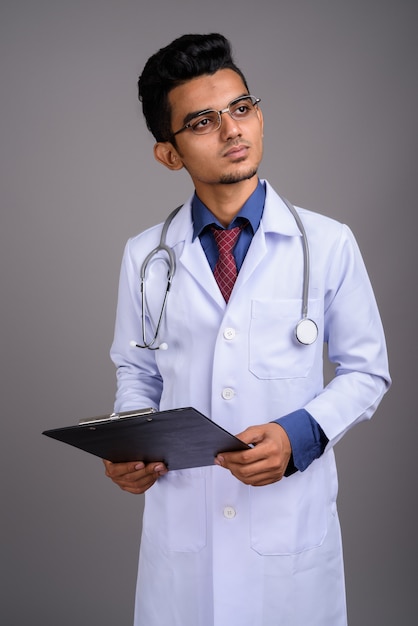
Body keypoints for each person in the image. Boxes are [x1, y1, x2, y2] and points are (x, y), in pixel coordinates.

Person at [104, 33, 390, 626]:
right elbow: (137, 372)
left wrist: (300, 436)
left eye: (241, 108)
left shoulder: (328, 244)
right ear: (169, 153)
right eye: (203, 121)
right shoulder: (144, 255)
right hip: (186, 533)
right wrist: (130, 443)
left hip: (288, 536)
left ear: (258, 115)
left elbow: (367, 372)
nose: (232, 130)